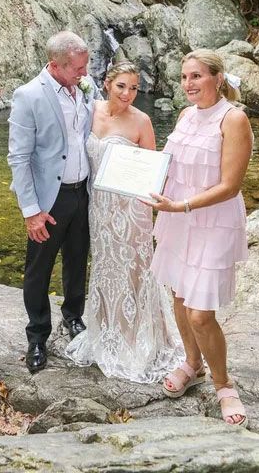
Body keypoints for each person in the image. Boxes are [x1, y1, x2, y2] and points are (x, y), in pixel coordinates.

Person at [144, 49, 252, 427]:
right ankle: (193, 364)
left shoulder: (233, 119)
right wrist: (147, 188)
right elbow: (171, 167)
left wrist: (181, 205)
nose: (188, 84)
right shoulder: (186, 115)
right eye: (184, 77)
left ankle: (224, 384)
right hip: (178, 217)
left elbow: (230, 185)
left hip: (212, 219)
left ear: (218, 78)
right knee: (178, 293)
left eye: (197, 76)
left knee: (201, 313)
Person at [65, 61, 183, 381]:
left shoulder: (142, 121)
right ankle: (105, 331)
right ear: (106, 84)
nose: (128, 93)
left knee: (133, 269)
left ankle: (136, 338)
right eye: (122, 86)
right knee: (105, 266)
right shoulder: (89, 112)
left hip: (132, 210)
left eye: (134, 88)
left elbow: (154, 170)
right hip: (99, 207)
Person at [8, 31, 98, 374]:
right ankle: (37, 336)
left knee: (77, 260)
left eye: (85, 66)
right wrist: (31, 212)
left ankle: (73, 317)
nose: (84, 73)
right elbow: (18, 157)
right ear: (54, 65)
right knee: (39, 269)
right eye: (77, 68)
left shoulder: (85, 88)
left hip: (82, 191)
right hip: (49, 200)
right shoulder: (29, 96)